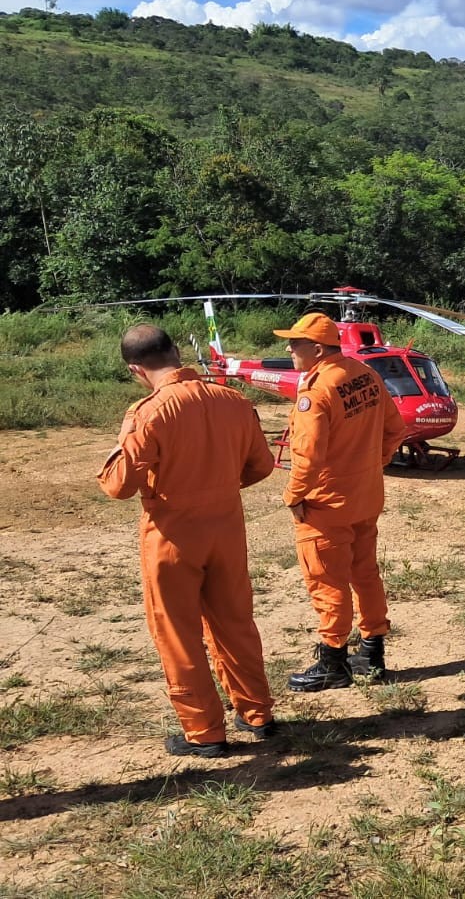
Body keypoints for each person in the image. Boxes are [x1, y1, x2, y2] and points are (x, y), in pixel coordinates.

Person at [97, 324, 278, 758]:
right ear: (177, 352)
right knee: (234, 622)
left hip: (172, 534)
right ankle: (256, 713)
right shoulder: (233, 400)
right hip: (227, 529)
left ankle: (204, 732)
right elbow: (262, 467)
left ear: (135, 370)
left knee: (178, 633)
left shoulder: (147, 413)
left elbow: (120, 485)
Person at [276, 312, 406, 691]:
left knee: (327, 580)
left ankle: (333, 661)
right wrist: (373, 464)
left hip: (327, 505)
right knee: (364, 573)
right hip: (365, 497)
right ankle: (371, 652)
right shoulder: (364, 374)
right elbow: (395, 428)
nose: (288, 349)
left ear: (316, 349)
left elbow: (308, 456)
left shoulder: (316, 391)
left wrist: (293, 494)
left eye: (295, 343)